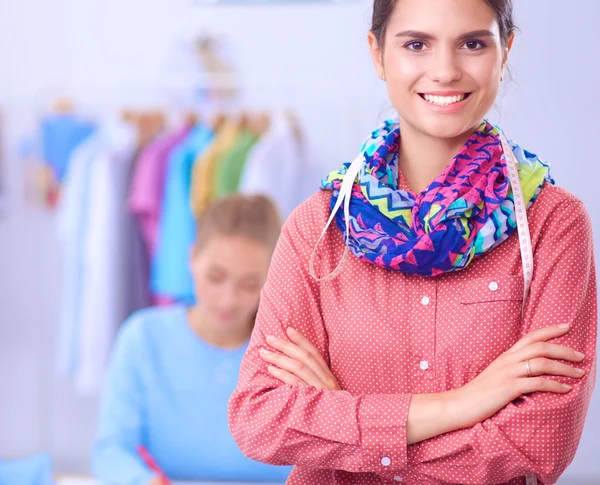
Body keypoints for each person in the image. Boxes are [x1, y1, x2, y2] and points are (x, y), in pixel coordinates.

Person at [228, 1, 597, 484]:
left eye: (472, 43)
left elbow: (537, 445)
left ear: (505, 51)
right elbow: (259, 419)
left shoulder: (553, 222)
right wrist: (458, 405)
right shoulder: (318, 226)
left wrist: (344, 419)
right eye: (416, 44)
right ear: (377, 53)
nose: (444, 71)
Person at [92, 194, 292, 485]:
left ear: (273, 279)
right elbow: (111, 449)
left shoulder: (289, 354)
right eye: (216, 276)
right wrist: (141, 480)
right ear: (193, 258)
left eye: (249, 284)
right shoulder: (143, 338)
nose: (228, 299)